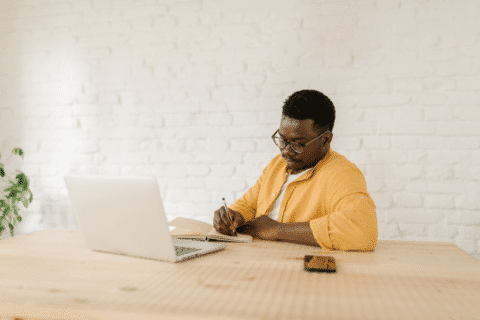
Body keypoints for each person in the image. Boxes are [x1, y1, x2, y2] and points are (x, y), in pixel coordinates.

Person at [213, 89, 377, 251]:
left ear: (326, 139)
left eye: (298, 143)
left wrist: (277, 230)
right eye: (282, 140)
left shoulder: (342, 173)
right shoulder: (277, 164)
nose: (286, 150)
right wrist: (233, 216)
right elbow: (250, 203)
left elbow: (362, 230)